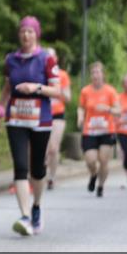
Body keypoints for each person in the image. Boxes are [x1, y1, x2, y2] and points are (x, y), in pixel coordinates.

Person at [0, 16, 60, 236]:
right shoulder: (11, 59)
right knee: (20, 167)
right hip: (16, 119)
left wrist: (36, 87)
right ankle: (25, 215)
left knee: (37, 169)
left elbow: (57, 90)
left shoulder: (46, 59)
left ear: (36, 34)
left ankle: (36, 206)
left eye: (30, 31)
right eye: (22, 31)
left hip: (41, 120)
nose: (25, 35)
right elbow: (7, 87)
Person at [78, 62, 120, 198]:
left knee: (103, 160)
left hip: (106, 130)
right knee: (90, 160)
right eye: (93, 72)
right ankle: (94, 174)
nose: (95, 75)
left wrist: (108, 109)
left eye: (98, 72)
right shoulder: (85, 91)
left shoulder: (110, 91)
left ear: (103, 74)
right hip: (89, 130)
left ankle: (101, 186)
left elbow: (118, 111)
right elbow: (81, 107)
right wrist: (79, 117)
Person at [45, 47, 71, 190]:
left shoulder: (62, 75)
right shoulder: (39, 73)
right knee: (41, 148)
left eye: (51, 57)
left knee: (53, 149)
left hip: (57, 115)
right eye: (46, 57)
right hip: (41, 113)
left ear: (56, 59)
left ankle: (52, 177)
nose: (49, 59)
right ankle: (39, 173)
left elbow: (68, 98)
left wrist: (55, 90)